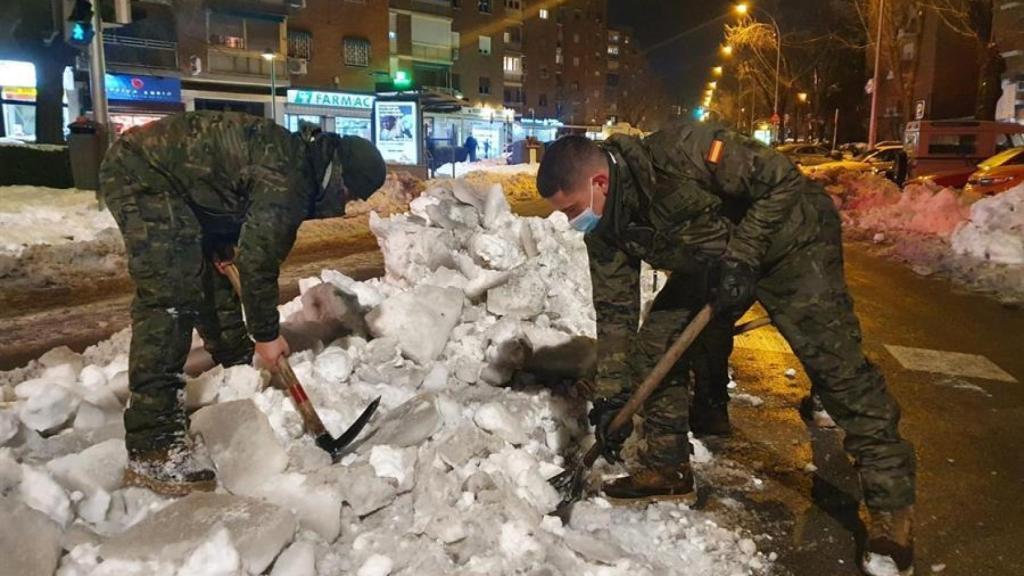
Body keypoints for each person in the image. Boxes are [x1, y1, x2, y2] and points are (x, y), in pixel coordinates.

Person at [536, 125, 916, 576]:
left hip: (791, 242)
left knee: (837, 370)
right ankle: (667, 466)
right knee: (655, 347)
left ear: (599, 182)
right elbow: (615, 314)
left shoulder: (681, 152)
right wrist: (614, 396)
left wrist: (745, 255)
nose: (571, 221)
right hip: (711, 262)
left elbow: (781, 181)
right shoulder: (605, 231)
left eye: (573, 209)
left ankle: (892, 513)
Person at [99, 111, 387, 496]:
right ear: (338, 176)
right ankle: (153, 445)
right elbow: (257, 263)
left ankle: (235, 371)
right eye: (349, 194)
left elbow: (232, 198)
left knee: (212, 278)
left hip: (182, 190)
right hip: (144, 175)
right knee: (171, 296)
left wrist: (220, 239)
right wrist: (267, 336)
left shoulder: (296, 163)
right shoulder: (291, 181)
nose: (345, 204)